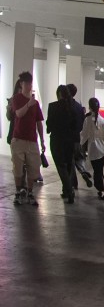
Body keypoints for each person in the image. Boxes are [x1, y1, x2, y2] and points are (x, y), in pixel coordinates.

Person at [9, 72, 45, 206]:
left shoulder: (35, 102)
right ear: (21, 84)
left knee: (34, 167)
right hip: (18, 139)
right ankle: (18, 192)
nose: (29, 85)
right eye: (26, 83)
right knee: (17, 167)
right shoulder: (17, 98)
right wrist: (29, 104)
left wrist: (42, 140)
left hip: (32, 140)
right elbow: (18, 113)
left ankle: (30, 192)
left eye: (30, 83)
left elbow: (39, 122)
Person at [46, 85, 79, 204]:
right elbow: (76, 127)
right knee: (69, 166)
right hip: (69, 141)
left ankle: (69, 190)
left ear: (59, 94)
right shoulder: (73, 107)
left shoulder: (53, 106)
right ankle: (67, 190)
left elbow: (49, 125)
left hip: (56, 140)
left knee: (61, 166)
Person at [80, 97, 104, 200]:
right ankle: (101, 190)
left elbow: (84, 134)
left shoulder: (87, 119)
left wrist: (80, 143)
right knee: (99, 170)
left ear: (89, 107)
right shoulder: (102, 120)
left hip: (93, 149)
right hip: (102, 149)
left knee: (97, 171)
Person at [67, 84, 93, 189]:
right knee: (77, 159)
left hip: (69, 138)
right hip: (78, 139)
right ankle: (83, 172)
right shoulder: (78, 106)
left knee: (70, 162)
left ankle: (73, 184)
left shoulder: (67, 105)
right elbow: (83, 124)